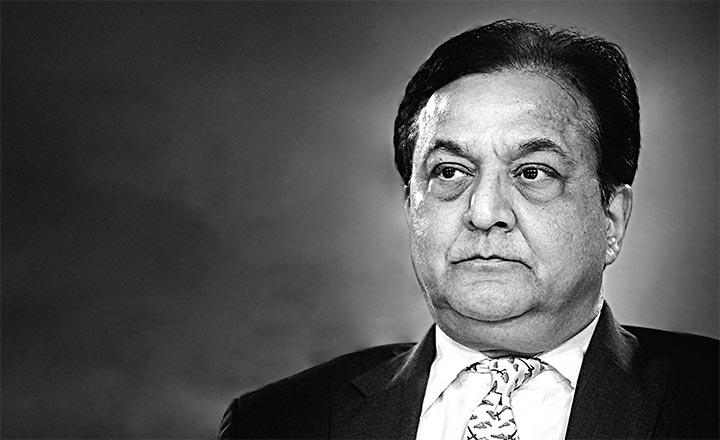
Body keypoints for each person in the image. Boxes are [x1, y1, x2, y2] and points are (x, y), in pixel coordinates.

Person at [218, 20, 718, 440]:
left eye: (533, 172)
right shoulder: (275, 422)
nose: (483, 212)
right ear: (411, 206)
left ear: (611, 218)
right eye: (450, 172)